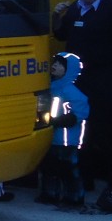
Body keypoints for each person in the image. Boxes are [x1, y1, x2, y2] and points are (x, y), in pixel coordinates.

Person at [51, 0, 112, 198]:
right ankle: (85, 178)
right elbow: (61, 35)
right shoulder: (74, 9)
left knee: (105, 128)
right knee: (80, 128)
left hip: (103, 77)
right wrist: (56, 17)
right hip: (78, 79)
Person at [37, 52, 90, 209]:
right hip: (52, 136)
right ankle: (49, 193)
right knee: (49, 167)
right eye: (54, 62)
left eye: (60, 64)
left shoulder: (71, 91)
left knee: (68, 169)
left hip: (67, 139)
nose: (55, 66)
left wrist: (65, 119)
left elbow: (81, 111)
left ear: (69, 70)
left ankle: (74, 197)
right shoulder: (51, 87)